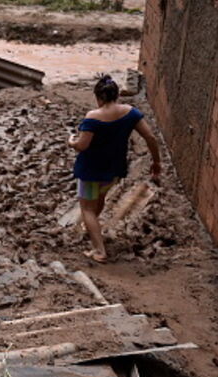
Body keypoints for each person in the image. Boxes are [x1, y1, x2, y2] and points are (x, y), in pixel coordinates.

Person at [68, 74, 161, 262]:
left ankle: (99, 251)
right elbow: (150, 137)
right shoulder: (131, 113)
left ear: (98, 97)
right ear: (116, 95)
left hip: (91, 171)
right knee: (100, 198)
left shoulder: (92, 117)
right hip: (114, 170)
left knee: (87, 208)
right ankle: (92, 227)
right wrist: (156, 161)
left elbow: (82, 146)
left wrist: (71, 142)